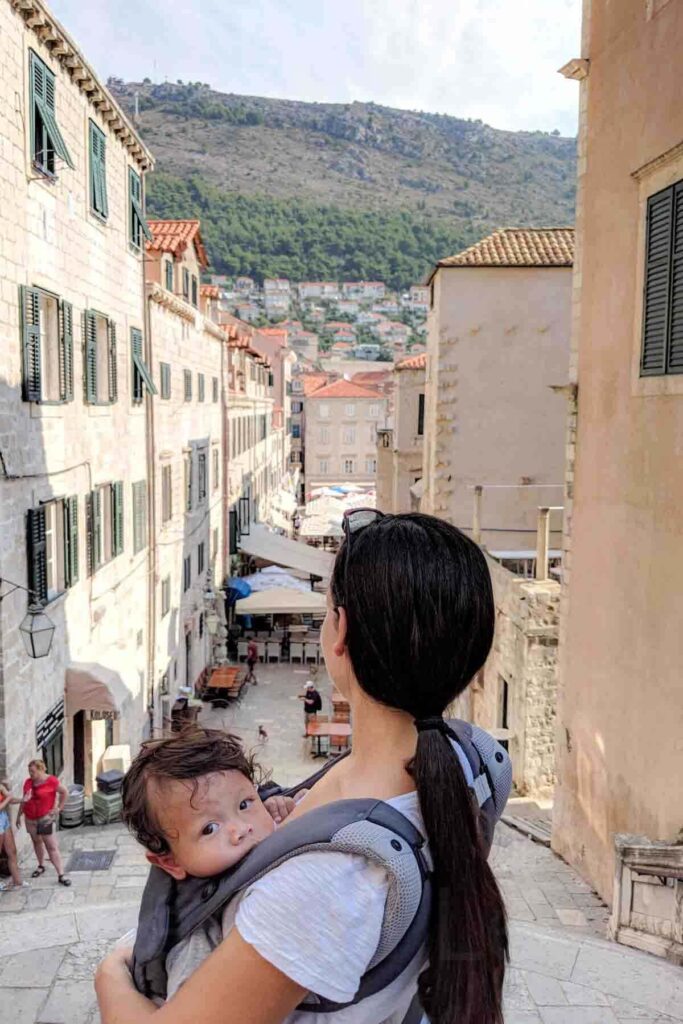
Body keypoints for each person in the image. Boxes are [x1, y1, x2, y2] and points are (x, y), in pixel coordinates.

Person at [96, 511, 509, 1024]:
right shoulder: (476, 762)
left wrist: (110, 969)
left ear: (341, 633)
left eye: (325, 609)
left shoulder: (322, 885)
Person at [121, 728, 300, 999]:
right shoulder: (200, 934)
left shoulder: (261, 826)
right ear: (170, 862)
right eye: (210, 828)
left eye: (244, 804)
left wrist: (280, 808)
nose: (240, 829)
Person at [16, 759, 71, 886]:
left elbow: (64, 792)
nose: (30, 774)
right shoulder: (28, 782)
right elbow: (24, 800)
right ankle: (41, 865)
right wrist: (19, 815)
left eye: (33, 771)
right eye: (29, 771)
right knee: (36, 842)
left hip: (44, 818)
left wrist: (58, 808)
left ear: (41, 769)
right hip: (30, 818)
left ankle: (61, 874)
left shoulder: (51, 781)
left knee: (51, 846)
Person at [0, 779, 27, 892]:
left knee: (12, 851)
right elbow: (8, 799)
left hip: (3, 818)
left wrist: (23, 800)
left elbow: (10, 798)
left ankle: (17, 881)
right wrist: (8, 798)